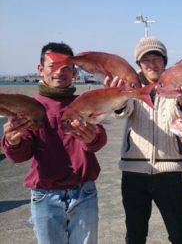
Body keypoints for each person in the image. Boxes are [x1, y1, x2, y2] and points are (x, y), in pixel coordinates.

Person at [1, 42, 107, 244]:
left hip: (84, 193)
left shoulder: (85, 101)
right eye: (53, 66)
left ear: (74, 71)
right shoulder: (31, 106)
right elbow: (21, 154)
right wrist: (12, 142)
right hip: (45, 197)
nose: (60, 72)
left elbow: (98, 139)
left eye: (66, 67)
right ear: (40, 70)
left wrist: (91, 137)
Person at [103, 36, 182, 244]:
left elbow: (181, 117)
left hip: (169, 172)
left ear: (165, 61)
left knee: (179, 233)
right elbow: (123, 111)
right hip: (134, 172)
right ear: (139, 64)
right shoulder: (130, 85)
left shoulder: (177, 84)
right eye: (146, 60)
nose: (152, 64)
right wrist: (117, 96)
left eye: (157, 59)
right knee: (135, 234)